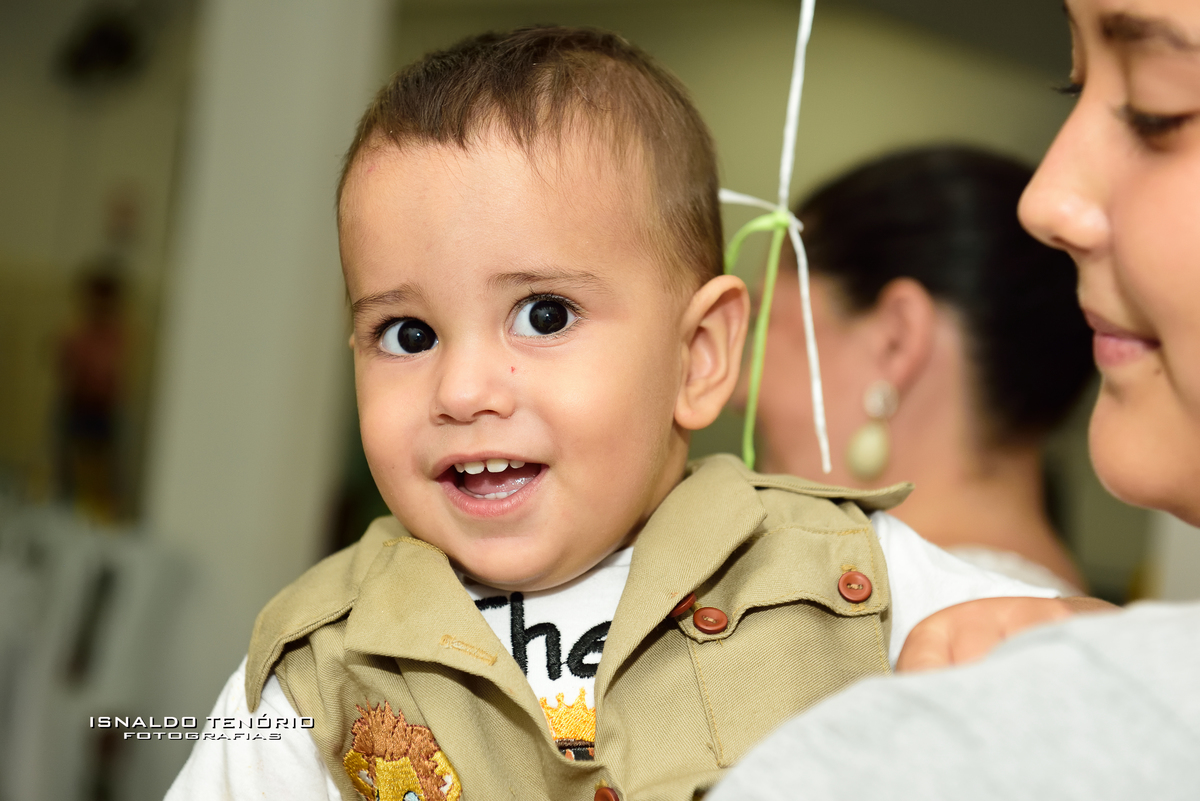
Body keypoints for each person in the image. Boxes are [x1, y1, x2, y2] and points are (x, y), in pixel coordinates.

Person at [164, 27, 1092, 801]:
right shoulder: (316, 669)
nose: (462, 390)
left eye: (544, 315)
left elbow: (1118, 686)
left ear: (699, 356)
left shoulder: (851, 574)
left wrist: (1073, 642)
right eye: (408, 334)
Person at [710, 0, 1200, 797]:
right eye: (1073, 86)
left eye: (1155, 106)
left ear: (896, 341)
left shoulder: (923, 672)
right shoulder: (1062, 652)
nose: (731, 388)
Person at [752, 146, 1092, 594]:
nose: (739, 392)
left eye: (763, 324)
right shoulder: (1055, 611)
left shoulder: (893, 624)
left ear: (895, 341)